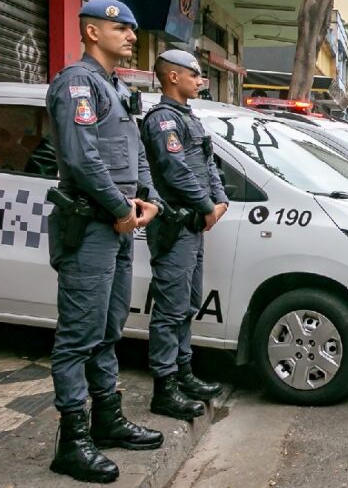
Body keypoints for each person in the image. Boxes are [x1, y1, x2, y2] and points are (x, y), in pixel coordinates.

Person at [45, 0, 165, 483]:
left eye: (134, 28)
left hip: (118, 226)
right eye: (122, 28)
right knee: (78, 335)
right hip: (91, 225)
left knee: (109, 327)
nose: (132, 35)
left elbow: (133, 150)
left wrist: (148, 199)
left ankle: (107, 420)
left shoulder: (116, 89)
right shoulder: (76, 83)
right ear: (92, 32)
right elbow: (80, 157)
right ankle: (72, 442)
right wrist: (120, 210)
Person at [141, 50, 228, 421]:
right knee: (170, 308)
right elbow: (175, 171)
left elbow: (207, 162)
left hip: (194, 226)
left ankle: (184, 374)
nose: (200, 79)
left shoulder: (189, 118)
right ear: (173, 77)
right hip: (176, 226)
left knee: (188, 303)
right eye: (195, 74)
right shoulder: (163, 121)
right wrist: (208, 205)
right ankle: (165, 387)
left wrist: (219, 200)